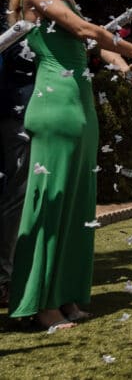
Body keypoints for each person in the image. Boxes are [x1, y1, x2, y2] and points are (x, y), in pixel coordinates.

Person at [7, 0, 132, 329]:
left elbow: (95, 45)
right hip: (54, 104)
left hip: (79, 104)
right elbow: (81, 30)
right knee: (53, 202)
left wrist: (130, 68)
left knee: (79, 205)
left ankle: (68, 296)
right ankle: (40, 302)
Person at [0, 32, 35, 308]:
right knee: (19, 193)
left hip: (45, 112)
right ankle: (4, 279)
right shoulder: (12, 27)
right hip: (17, 115)